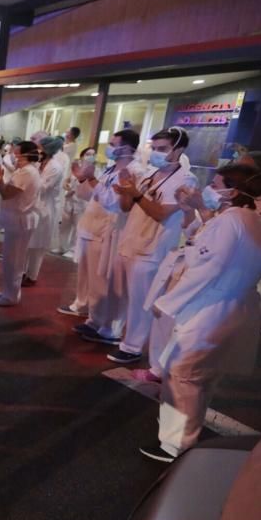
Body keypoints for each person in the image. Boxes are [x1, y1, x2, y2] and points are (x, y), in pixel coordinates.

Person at [138, 169, 261, 462]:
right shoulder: (251, 220)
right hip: (233, 306)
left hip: (208, 307)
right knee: (201, 376)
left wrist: (167, 303)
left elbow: (207, 268)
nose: (208, 188)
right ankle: (187, 429)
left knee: (182, 374)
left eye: (216, 184)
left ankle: (176, 444)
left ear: (232, 192)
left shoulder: (230, 221)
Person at [108, 127, 198, 366]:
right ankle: (120, 335)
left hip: (152, 249)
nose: (157, 154)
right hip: (131, 241)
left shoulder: (185, 180)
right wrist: (125, 189)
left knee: (141, 301)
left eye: (163, 149)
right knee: (126, 295)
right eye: (154, 149)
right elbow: (128, 208)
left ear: (179, 149)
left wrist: (136, 194)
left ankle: (133, 346)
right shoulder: (151, 174)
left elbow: (161, 213)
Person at [67, 131, 142, 344]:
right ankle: (95, 319)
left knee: (110, 281)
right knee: (95, 279)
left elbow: (115, 203)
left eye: (113, 144)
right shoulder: (112, 168)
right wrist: (84, 178)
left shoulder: (134, 171)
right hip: (94, 228)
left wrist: (92, 179)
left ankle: (110, 327)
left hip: (114, 232)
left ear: (127, 148)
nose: (109, 147)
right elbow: (92, 195)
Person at [0, 140, 41, 306]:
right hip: (17, 221)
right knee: (12, 259)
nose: (13, 155)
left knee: (14, 260)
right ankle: (9, 291)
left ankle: (11, 295)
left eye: (15, 152)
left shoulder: (26, 173)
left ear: (24, 154)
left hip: (20, 221)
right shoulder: (25, 171)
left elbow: (6, 193)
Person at [24, 137, 68, 285]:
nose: (37, 150)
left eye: (39, 147)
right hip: (34, 206)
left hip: (45, 208)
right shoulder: (39, 163)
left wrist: (28, 178)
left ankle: (32, 276)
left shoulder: (55, 167)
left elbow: (42, 187)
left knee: (38, 246)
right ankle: (24, 272)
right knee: (28, 243)